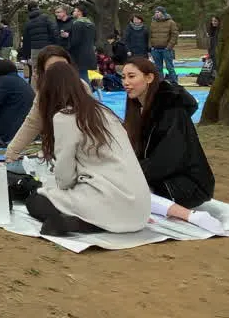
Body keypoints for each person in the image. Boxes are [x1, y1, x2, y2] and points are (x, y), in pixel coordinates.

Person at [23, 62, 150, 237]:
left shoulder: (65, 117)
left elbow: (65, 176)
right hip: (140, 209)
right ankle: (87, 220)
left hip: (107, 198)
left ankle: (84, 223)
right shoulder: (105, 112)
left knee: (35, 201)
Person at [121, 57, 225, 234]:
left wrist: (132, 174)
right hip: (158, 176)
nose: (126, 82)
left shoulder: (172, 110)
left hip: (186, 184)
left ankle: (190, 216)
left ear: (149, 78)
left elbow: (169, 158)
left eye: (131, 76)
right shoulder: (137, 107)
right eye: (123, 77)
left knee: (123, 191)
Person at [3, 45, 74, 161]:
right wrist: (11, 154)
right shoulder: (43, 94)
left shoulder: (81, 89)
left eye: (64, 67)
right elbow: (32, 123)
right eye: (53, 68)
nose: (60, 72)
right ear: (42, 71)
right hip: (57, 152)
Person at [21, 3, 58, 76]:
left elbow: (26, 41)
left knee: (36, 71)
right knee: (48, 68)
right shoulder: (46, 18)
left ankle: (35, 86)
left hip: (34, 49)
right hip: (47, 47)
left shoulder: (28, 23)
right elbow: (54, 32)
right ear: (38, 8)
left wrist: (25, 56)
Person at [67, 4, 98, 85]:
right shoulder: (91, 24)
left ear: (79, 12)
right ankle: (95, 92)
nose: (73, 12)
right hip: (91, 55)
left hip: (79, 56)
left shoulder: (77, 24)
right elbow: (95, 39)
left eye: (74, 11)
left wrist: (68, 48)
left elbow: (75, 41)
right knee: (91, 80)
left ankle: (85, 96)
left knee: (82, 81)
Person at [149, 6, 180, 84]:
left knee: (169, 67)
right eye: (155, 12)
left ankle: (174, 82)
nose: (156, 14)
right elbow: (150, 35)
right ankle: (160, 83)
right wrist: (151, 46)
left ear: (163, 13)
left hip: (166, 49)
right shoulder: (153, 22)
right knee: (158, 68)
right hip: (155, 49)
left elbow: (174, 35)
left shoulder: (171, 22)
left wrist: (169, 46)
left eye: (158, 12)